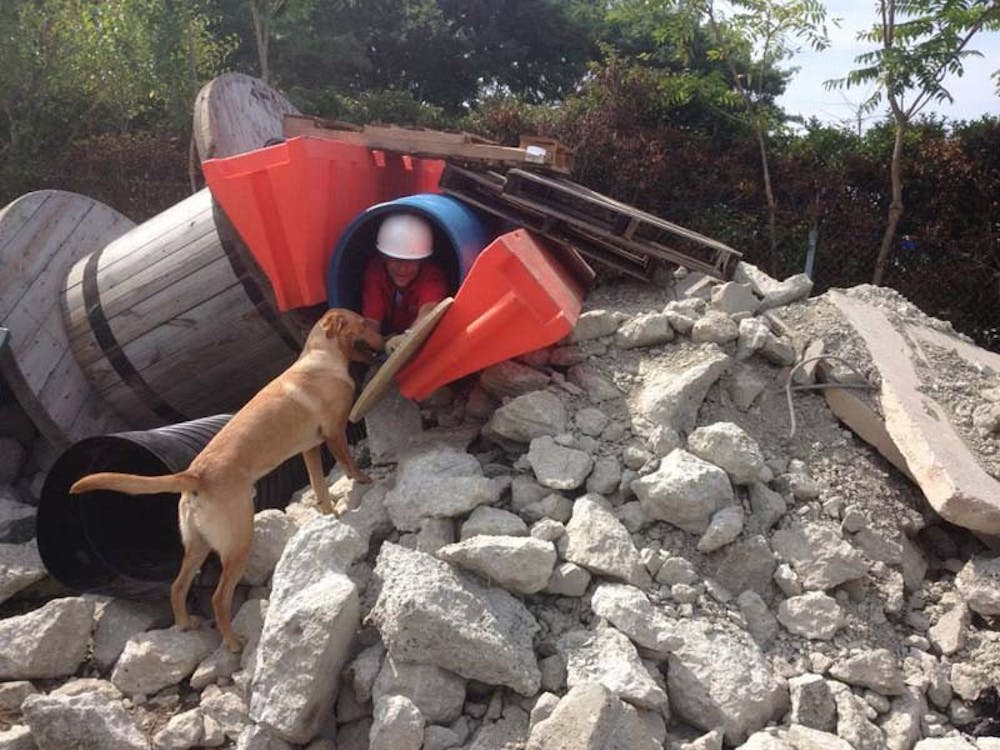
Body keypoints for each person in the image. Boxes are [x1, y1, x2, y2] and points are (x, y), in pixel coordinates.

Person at [361, 213, 447, 350]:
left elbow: (429, 311)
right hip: (390, 331)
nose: (402, 269)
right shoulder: (376, 271)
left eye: (411, 261)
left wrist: (407, 337)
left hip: (416, 339)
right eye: (396, 260)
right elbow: (372, 321)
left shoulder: (431, 277)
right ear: (385, 257)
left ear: (421, 260)